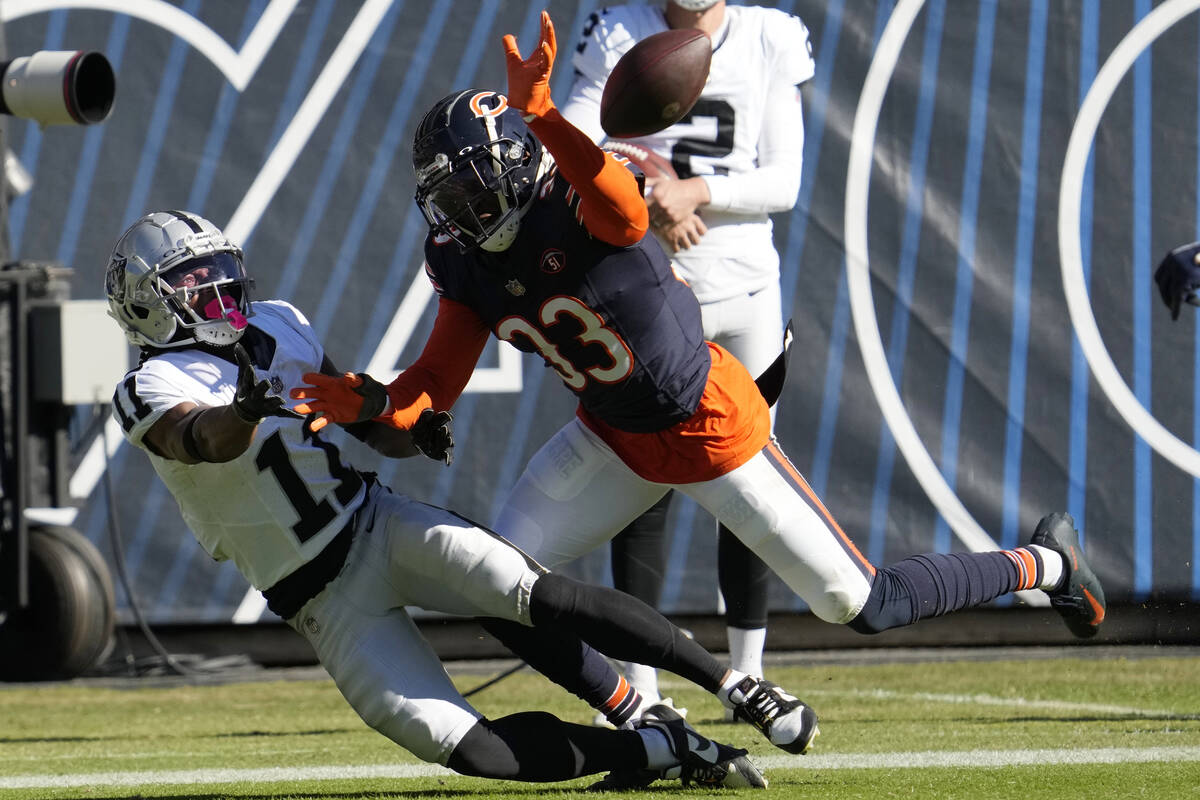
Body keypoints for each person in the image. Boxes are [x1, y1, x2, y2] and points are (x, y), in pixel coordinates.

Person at [291, 10, 1107, 754]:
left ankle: (1046, 564)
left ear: (511, 168)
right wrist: (372, 403)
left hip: (707, 428)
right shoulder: (465, 261)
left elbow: (623, 206)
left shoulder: (586, 199)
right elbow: (436, 378)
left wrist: (542, 113)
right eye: (444, 198)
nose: (456, 214)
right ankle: (644, 720)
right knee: (503, 580)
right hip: (610, 437)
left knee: (861, 604)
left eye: (466, 191)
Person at [103, 208, 837, 791]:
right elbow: (201, 441)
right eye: (194, 285)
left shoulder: (277, 322)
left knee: (528, 590)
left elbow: (359, 420)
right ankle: (656, 747)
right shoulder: (145, 387)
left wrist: (407, 431)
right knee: (473, 752)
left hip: (374, 524)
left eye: (218, 277)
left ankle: (735, 684)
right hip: (320, 601)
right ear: (147, 306)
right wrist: (248, 407)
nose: (219, 296)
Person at [557, 0, 814, 705]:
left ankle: (751, 670)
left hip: (748, 288)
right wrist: (642, 193)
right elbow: (570, 143)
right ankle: (641, 683)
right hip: (650, 288)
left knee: (752, 475)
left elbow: (784, 180)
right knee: (645, 482)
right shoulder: (619, 28)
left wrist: (696, 189)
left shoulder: (767, 34)